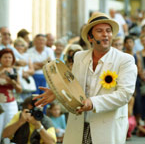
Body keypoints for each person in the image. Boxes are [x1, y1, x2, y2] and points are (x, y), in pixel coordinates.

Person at [34, 12, 137, 144]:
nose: (105, 34)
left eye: (108, 31)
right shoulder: (79, 56)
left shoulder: (125, 60)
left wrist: (92, 102)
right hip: (78, 125)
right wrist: (57, 92)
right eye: (99, 31)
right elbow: (73, 85)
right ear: (90, 37)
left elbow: (124, 95)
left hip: (107, 128)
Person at [0, 49, 22, 141]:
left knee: (10, 130)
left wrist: (13, 82)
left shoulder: (15, 71)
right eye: (5, 57)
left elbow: (19, 90)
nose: (7, 59)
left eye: (10, 57)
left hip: (10, 103)